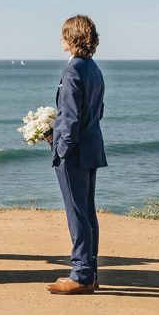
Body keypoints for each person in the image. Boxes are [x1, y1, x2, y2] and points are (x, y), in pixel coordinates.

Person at [45, 15, 108, 295]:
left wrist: (60, 148)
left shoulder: (72, 71)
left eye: (62, 35)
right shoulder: (93, 69)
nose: (60, 40)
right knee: (87, 212)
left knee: (77, 213)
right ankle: (89, 272)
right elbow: (98, 111)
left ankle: (81, 274)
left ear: (71, 38)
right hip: (92, 146)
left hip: (75, 152)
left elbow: (69, 118)